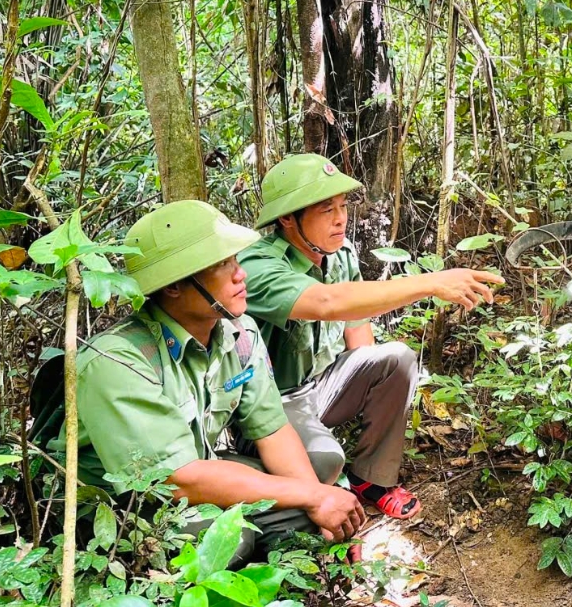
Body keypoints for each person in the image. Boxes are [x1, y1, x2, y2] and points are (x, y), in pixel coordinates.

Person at [47, 201, 365, 562]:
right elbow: (177, 480)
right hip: (131, 504)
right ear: (173, 287)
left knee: (319, 470)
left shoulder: (240, 334)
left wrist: (322, 505)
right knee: (234, 538)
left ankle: (282, 551)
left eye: (234, 260)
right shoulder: (119, 360)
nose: (239, 274)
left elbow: (272, 431)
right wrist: (313, 498)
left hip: (198, 469)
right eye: (220, 265)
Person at [239, 154, 504, 520]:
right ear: (287, 219)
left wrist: (371, 406)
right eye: (325, 209)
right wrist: (431, 282)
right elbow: (327, 302)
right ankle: (316, 497)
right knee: (323, 461)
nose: (340, 218)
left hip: (319, 388)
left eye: (343, 205)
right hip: (270, 406)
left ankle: (370, 478)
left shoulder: (340, 254)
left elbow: (359, 339)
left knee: (394, 358)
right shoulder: (258, 266)